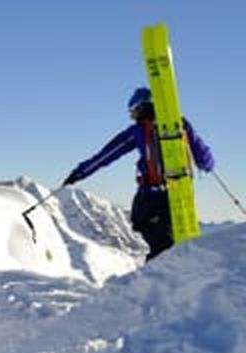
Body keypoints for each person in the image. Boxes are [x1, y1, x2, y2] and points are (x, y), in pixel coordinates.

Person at [63, 87, 215, 261]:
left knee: (141, 222)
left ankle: (159, 262)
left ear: (143, 107)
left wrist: (80, 173)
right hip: (177, 191)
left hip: (150, 193)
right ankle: (166, 257)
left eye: (133, 111)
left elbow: (107, 155)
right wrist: (207, 165)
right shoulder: (180, 124)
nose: (133, 116)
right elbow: (203, 154)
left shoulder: (138, 131)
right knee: (161, 232)